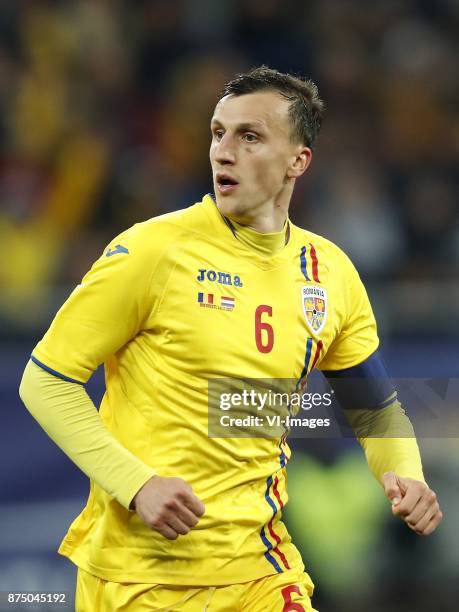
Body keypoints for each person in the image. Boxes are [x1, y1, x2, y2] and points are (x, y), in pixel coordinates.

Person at [19, 66, 442, 611]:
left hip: (261, 572)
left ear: (298, 161)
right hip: (139, 580)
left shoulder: (329, 273)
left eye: (250, 136)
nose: (223, 151)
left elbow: (374, 407)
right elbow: (45, 382)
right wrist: (137, 484)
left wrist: (405, 476)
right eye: (218, 133)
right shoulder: (153, 253)